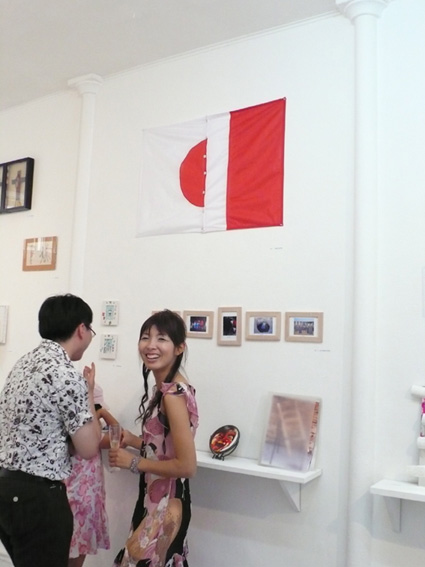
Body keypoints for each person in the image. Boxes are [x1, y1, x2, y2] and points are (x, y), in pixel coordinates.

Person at [0, 293, 102, 567]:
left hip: (6, 489)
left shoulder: (21, 365)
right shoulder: (66, 374)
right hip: (40, 498)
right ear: (81, 329)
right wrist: (90, 395)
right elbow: (89, 447)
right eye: (90, 330)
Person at [109, 309, 199, 567]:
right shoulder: (171, 389)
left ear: (179, 348)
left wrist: (134, 462)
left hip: (166, 502)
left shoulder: (173, 396)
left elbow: (186, 465)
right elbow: (167, 447)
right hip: (156, 499)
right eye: (146, 337)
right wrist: (135, 442)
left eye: (162, 339)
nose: (150, 346)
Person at [65, 384, 119, 567]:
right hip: (81, 502)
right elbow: (118, 433)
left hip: (81, 500)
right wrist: (103, 413)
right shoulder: (90, 436)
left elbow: (116, 435)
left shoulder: (78, 432)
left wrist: (101, 413)